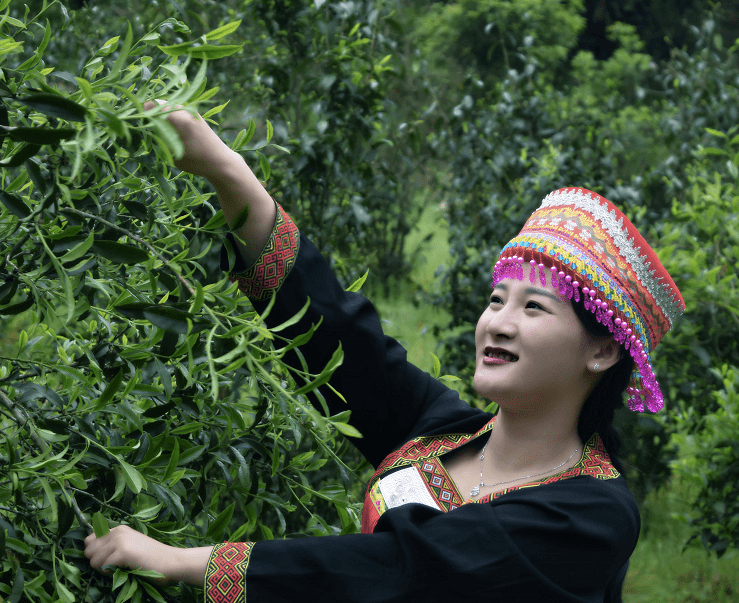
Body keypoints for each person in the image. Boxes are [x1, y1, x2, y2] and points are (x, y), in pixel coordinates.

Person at [84, 104, 685, 602]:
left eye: (533, 309)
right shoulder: (445, 434)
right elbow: (341, 340)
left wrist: (186, 562)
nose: (497, 323)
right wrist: (224, 168)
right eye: (497, 299)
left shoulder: (589, 516)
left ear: (602, 351)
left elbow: (397, 571)